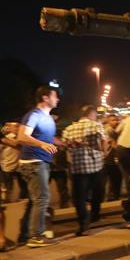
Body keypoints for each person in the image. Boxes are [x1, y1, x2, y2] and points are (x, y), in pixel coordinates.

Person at [16, 86, 59, 248]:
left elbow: (47, 137)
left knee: (37, 200)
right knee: (41, 199)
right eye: (55, 96)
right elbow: (22, 136)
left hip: (41, 162)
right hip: (33, 163)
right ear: (45, 98)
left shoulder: (47, 117)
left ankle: (26, 234)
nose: (58, 99)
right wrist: (42, 144)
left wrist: (64, 143)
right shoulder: (34, 114)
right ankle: (35, 237)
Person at [61, 105, 106, 236]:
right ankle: (95, 214)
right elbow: (104, 140)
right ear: (92, 114)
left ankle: (84, 225)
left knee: (79, 197)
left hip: (78, 167)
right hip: (96, 165)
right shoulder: (96, 125)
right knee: (98, 192)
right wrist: (103, 153)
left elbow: (64, 146)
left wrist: (74, 145)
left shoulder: (69, 128)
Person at [102, 114, 122, 201]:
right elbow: (113, 143)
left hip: (110, 158)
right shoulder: (108, 130)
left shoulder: (113, 130)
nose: (116, 122)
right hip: (107, 158)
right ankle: (112, 196)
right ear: (108, 121)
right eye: (113, 120)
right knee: (115, 177)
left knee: (114, 178)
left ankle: (112, 196)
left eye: (116, 120)